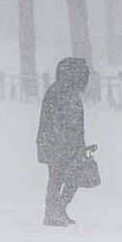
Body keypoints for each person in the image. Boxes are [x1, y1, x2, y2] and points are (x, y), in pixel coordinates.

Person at [37, 57, 90, 227]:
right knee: (59, 177)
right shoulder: (61, 93)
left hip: (60, 144)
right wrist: (67, 144)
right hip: (58, 145)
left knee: (62, 177)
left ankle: (56, 210)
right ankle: (54, 211)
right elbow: (59, 122)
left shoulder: (64, 91)